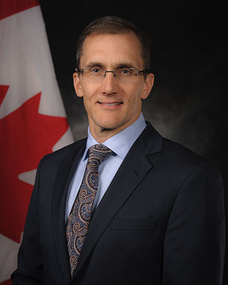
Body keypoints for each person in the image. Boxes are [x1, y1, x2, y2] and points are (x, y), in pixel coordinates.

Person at [11, 16, 225, 285]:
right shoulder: (51, 168)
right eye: (96, 70)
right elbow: (30, 275)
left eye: (125, 71)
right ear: (78, 83)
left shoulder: (191, 178)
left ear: (146, 84)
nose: (109, 87)